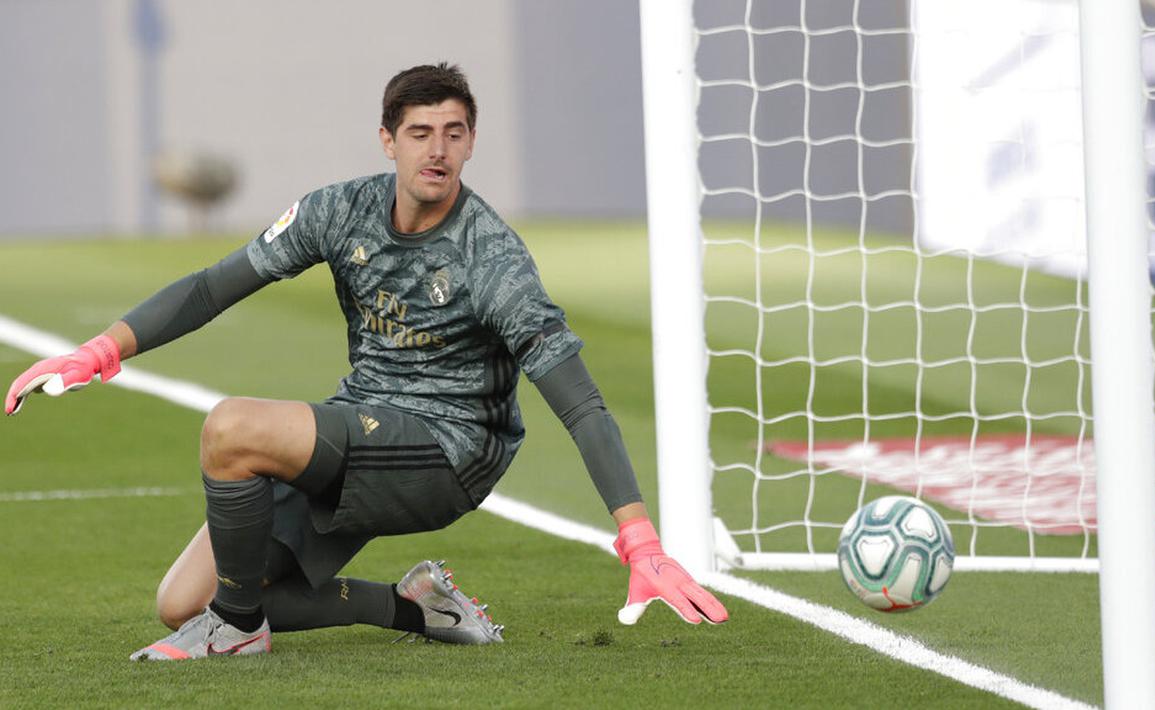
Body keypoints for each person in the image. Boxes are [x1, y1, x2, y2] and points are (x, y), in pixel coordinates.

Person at [4, 63, 727, 660]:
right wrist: (102, 350)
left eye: (452, 133)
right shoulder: (337, 211)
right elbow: (214, 285)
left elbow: (579, 399)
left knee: (231, 430)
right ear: (388, 140)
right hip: (366, 423)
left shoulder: (493, 258)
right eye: (419, 133)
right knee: (180, 602)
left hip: (448, 451)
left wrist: (639, 538)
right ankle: (413, 609)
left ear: (471, 141)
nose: (436, 150)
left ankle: (236, 633)